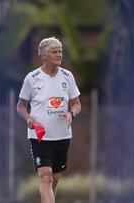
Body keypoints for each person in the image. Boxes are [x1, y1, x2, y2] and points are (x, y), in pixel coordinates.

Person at [17, 37, 81, 203]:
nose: (59, 55)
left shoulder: (68, 77)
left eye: (60, 51)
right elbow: (21, 106)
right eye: (54, 52)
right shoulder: (32, 78)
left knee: (55, 178)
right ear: (44, 56)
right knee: (45, 177)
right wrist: (28, 118)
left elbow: (76, 104)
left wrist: (71, 114)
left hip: (62, 136)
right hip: (39, 135)